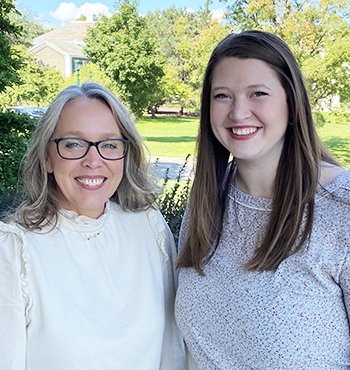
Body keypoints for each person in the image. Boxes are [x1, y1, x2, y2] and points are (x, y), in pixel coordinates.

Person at [175, 30, 350, 369]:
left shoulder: (341, 208)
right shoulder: (208, 200)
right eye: (223, 95)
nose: (239, 112)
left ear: (292, 103)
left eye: (258, 93)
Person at [0, 82, 186, 369]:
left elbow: (171, 351)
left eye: (110, 145)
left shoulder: (148, 227)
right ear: (47, 157)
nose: (93, 161)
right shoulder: (14, 251)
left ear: (126, 154)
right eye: (73, 144)